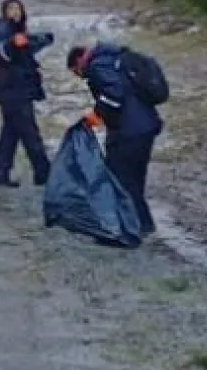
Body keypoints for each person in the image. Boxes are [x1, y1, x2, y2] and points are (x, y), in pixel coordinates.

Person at [66, 43, 162, 235]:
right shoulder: (114, 60)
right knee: (135, 178)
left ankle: (132, 225)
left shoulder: (97, 66)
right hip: (147, 126)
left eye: (76, 72)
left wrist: (96, 115)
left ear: (79, 61)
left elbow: (114, 96)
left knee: (120, 177)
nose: (80, 76)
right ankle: (142, 223)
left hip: (129, 131)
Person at [0, 0, 54, 188]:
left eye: (18, 8)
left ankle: (0, 173)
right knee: (30, 133)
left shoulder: (19, 32)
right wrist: (13, 44)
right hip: (13, 93)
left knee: (11, 133)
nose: (15, 12)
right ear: (4, 12)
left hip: (16, 91)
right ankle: (44, 173)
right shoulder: (3, 30)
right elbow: (1, 52)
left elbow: (27, 49)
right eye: (11, 8)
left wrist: (42, 39)